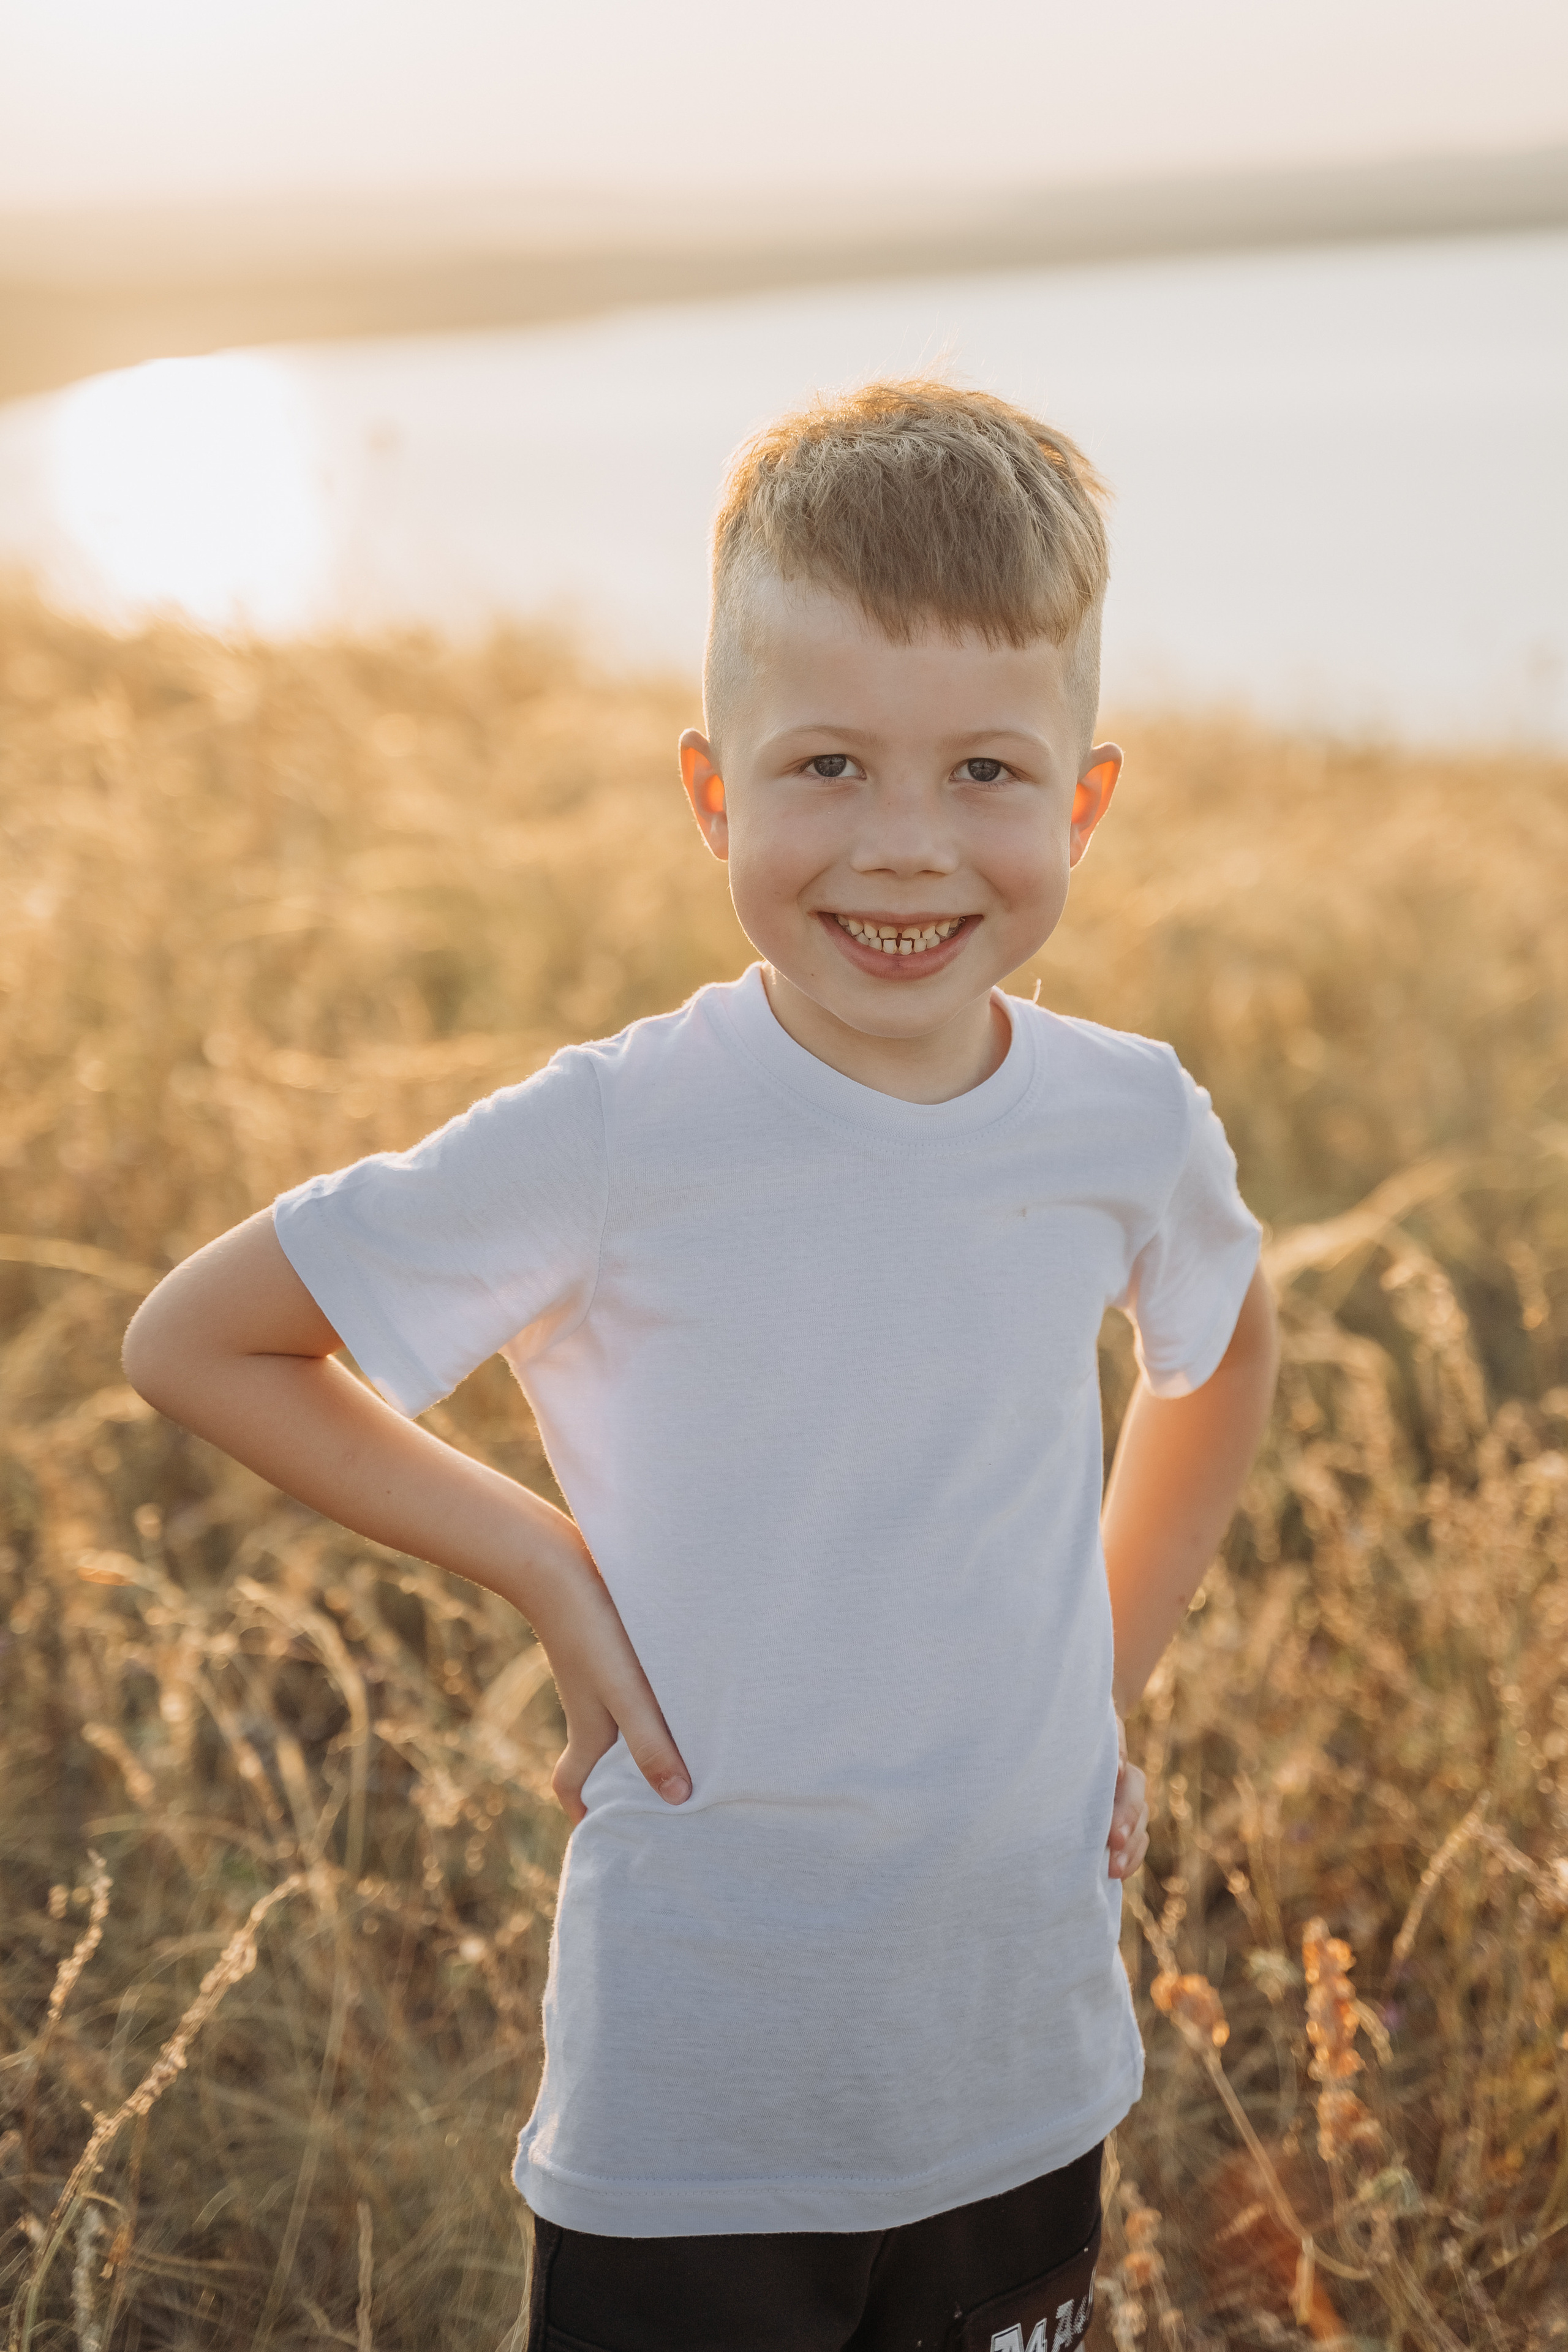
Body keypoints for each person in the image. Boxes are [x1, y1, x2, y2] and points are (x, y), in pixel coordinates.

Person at [123, 378, 1279, 2352]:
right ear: (711, 790)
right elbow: (200, 1339)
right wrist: (546, 1563)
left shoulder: (1125, 1119)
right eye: (827, 764)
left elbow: (1227, 1341)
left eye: (984, 772)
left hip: (1015, 2067)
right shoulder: (617, 1135)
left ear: (1084, 802)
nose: (904, 849)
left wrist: (1098, 1681)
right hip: (704, 2119)